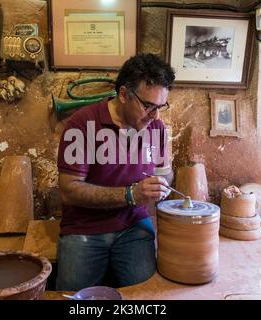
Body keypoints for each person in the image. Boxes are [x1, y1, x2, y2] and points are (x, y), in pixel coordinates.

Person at [56, 53, 176, 291]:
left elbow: (166, 173)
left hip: (134, 225)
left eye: (161, 107)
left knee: (147, 297)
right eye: (148, 106)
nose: (156, 116)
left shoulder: (157, 128)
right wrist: (130, 195)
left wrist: (161, 185)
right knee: (74, 298)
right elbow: (69, 191)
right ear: (123, 95)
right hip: (84, 227)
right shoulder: (82, 124)